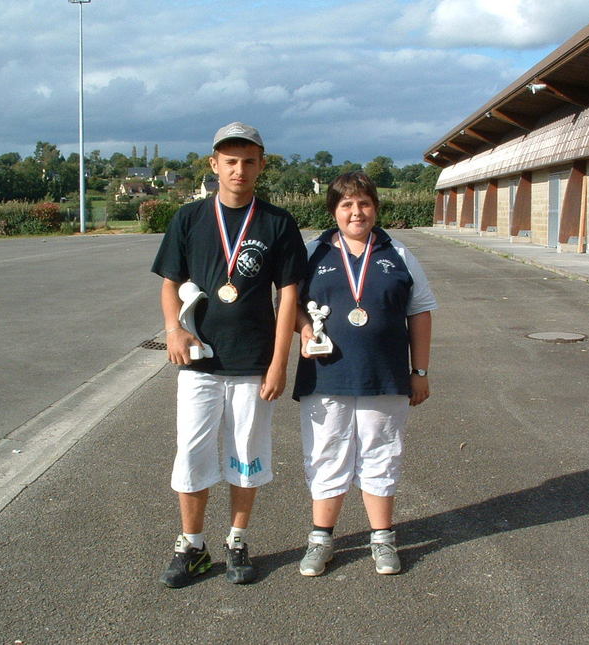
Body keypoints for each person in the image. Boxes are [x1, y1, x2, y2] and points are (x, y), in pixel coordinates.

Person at [151, 122, 307, 588]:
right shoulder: (189, 218)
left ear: (261, 165)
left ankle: (237, 540)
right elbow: (169, 284)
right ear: (214, 164)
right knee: (192, 454)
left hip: (253, 363)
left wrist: (281, 362)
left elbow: (289, 298)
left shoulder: (278, 222)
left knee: (246, 455)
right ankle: (193, 545)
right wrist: (172, 329)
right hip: (198, 360)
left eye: (249, 161)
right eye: (230, 161)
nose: (239, 169)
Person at [292, 171, 437, 576]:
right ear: (333, 211)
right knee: (326, 454)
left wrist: (419, 370)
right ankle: (321, 539)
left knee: (381, 452)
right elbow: (289, 305)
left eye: (364, 203)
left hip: (384, 375)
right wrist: (304, 329)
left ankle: (382, 538)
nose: (357, 212)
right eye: (346, 205)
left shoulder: (400, 254)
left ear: (375, 207)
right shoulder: (311, 252)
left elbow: (420, 312)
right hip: (325, 377)